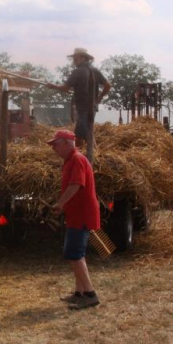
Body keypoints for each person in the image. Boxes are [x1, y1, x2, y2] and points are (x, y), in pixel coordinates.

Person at [47, 129, 101, 310]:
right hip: (76, 214)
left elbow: (76, 184)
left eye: (55, 144)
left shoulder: (77, 159)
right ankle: (79, 293)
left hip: (82, 214)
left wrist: (61, 203)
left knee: (74, 254)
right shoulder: (71, 160)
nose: (53, 148)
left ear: (66, 143)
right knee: (76, 254)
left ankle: (90, 295)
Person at [46, 48, 111, 147]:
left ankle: (83, 156)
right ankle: (91, 155)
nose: (74, 60)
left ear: (84, 58)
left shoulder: (78, 71)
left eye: (76, 58)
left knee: (80, 135)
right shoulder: (95, 71)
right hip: (92, 107)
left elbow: (65, 88)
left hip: (82, 108)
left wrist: (53, 86)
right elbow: (108, 85)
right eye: (74, 58)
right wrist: (100, 97)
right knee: (88, 130)